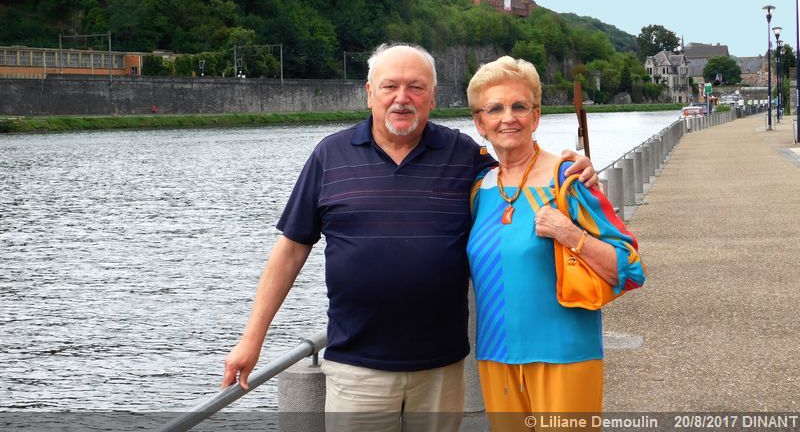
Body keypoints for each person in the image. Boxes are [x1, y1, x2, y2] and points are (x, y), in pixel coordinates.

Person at [222, 44, 599, 429]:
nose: (402, 98)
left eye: (416, 87)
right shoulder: (329, 156)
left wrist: (572, 168)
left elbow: (518, 167)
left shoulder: (462, 154)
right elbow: (290, 250)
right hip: (356, 366)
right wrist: (252, 339)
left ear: (433, 97)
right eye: (390, 86)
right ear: (369, 93)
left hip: (440, 368)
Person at [466, 56, 646, 428]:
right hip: (496, 356)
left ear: (536, 116)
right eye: (495, 108)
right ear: (479, 122)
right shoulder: (478, 190)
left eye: (520, 106)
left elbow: (630, 267)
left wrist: (570, 234)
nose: (508, 117)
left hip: (564, 353)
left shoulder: (569, 179)